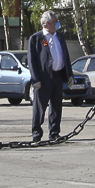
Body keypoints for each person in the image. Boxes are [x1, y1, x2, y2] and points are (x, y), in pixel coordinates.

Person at [27, 10, 71, 143]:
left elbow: (65, 56)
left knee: (56, 106)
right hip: (43, 78)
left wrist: (69, 74)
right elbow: (32, 60)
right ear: (47, 23)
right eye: (55, 21)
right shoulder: (37, 38)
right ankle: (36, 133)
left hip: (58, 76)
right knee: (40, 107)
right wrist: (35, 79)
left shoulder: (59, 37)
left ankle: (54, 133)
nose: (58, 23)